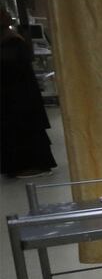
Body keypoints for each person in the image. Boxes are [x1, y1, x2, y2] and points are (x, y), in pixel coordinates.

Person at [0, 12, 56, 177]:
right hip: (15, 97)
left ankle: (33, 165)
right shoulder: (10, 40)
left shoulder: (12, 41)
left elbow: (12, 69)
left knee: (23, 131)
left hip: (18, 98)